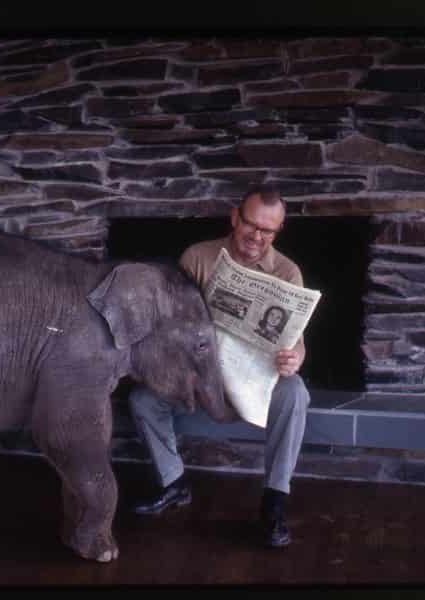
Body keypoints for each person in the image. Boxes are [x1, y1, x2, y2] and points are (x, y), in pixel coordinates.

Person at [128, 184, 310, 548]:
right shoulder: (198, 256)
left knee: (296, 393)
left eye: (267, 230)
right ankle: (173, 482)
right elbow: (169, 324)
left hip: (253, 381)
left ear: (277, 231)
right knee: (142, 400)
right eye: (250, 224)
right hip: (199, 377)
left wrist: (295, 359)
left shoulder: (288, 272)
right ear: (234, 217)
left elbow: (297, 342)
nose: (257, 236)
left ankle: (275, 500)